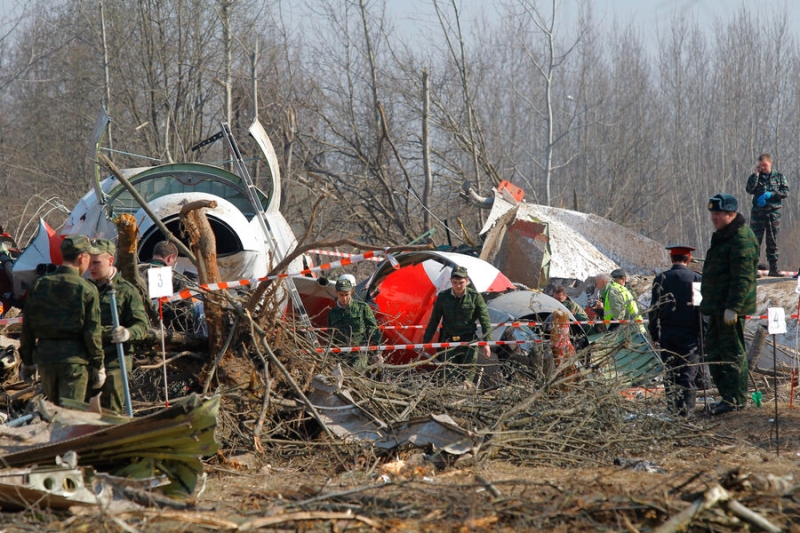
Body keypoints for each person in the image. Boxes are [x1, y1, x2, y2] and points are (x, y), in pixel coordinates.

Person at [19, 235, 106, 405]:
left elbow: (27, 328)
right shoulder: (86, 289)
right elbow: (92, 331)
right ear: (82, 257)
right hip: (74, 361)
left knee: (53, 410)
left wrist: (27, 361)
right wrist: (98, 364)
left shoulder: (39, 284)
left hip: (46, 359)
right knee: (70, 415)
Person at [701, 193, 759, 415]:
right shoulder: (725, 235)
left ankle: (735, 399)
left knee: (732, 352)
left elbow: (742, 277)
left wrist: (733, 306)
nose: (714, 217)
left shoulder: (741, 239)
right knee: (715, 352)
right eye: (713, 213)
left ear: (731, 214)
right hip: (717, 306)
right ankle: (727, 397)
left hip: (729, 308)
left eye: (718, 213)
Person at [87, 239, 149, 412]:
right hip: (89, 358)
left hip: (115, 359)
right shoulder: (85, 289)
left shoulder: (126, 291)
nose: (91, 268)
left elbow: (142, 325)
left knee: (111, 409)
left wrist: (127, 333)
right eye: (89, 263)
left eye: (96, 263)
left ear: (110, 261)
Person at [649, 245, 702, 417]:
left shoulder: (661, 278)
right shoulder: (696, 278)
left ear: (672, 259)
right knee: (687, 374)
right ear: (688, 259)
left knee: (670, 373)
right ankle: (688, 413)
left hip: (668, 333)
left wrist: (654, 333)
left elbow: (654, 309)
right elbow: (701, 310)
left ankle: (673, 411)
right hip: (690, 335)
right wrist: (704, 334)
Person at [423, 265, 492, 382]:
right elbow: (434, 320)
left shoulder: (475, 297)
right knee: (450, 379)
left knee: (468, 379)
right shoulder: (443, 297)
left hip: (468, 343)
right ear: (451, 281)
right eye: (455, 282)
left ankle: (467, 398)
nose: (458, 286)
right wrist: (425, 342)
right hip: (448, 343)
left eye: (461, 282)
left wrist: (487, 343)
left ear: (467, 281)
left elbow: (485, 320)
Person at [745, 153, 788, 277]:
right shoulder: (756, 177)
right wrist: (756, 175)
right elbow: (749, 189)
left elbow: (785, 191)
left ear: (770, 163)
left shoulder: (779, 177)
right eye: (761, 165)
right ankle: (752, 268)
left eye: (765, 165)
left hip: (773, 214)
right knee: (754, 241)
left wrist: (771, 194)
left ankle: (773, 268)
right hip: (758, 215)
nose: (763, 167)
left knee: (772, 241)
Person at [327, 277, 381, 372]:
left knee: (353, 373)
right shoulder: (332, 314)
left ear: (351, 292)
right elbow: (331, 336)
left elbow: (374, 330)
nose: (344, 298)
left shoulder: (362, 308)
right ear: (336, 292)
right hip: (340, 355)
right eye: (341, 295)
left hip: (359, 354)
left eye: (347, 294)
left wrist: (377, 353)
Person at [592, 270, 645, 334]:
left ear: (603, 282)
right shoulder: (614, 290)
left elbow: (618, 315)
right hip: (633, 329)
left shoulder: (613, 291)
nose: (596, 286)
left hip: (631, 332)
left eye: (597, 283)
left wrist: (611, 332)